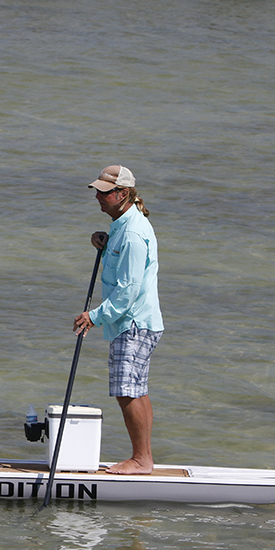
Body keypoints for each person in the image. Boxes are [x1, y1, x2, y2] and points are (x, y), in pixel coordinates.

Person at [72, 165, 164, 475]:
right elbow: (122, 258)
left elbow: (129, 290)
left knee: (127, 390)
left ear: (122, 194)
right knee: (135, 388)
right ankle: (144, 457)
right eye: (97, 190)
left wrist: (94, 317)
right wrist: (104, 240)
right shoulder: (122, 225)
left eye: (104, 192)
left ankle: (141, 460)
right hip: (135, 321)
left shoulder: (134, 233)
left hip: (134, 322)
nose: (98, 196)